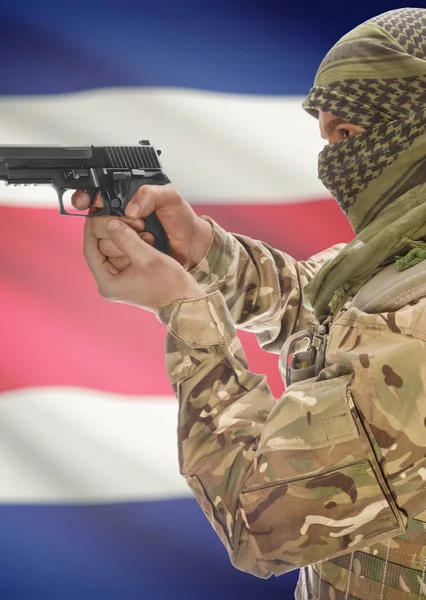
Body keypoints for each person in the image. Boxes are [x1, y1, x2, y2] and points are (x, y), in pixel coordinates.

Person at [72, 8, 426, 599]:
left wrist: (185, 310)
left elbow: (259, 521)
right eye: (326, 136)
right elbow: (326, 310)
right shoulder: (404, 257)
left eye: (348, 134)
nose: (332, 161)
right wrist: (203, 251)